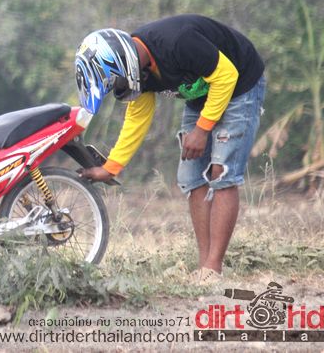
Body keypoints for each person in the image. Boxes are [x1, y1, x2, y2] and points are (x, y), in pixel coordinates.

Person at [75, 14, 265, 282]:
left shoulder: (178, 42)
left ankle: (213, 268)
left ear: (121, 64)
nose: (117, 87)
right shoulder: (139, 73)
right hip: (203, 95)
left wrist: (202, 129)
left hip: (240, 85)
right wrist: (111, 167)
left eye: (114, 81)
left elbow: (226, 76)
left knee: (221, 172)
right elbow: (137, 118)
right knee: (191, 177)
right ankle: (204, 267)